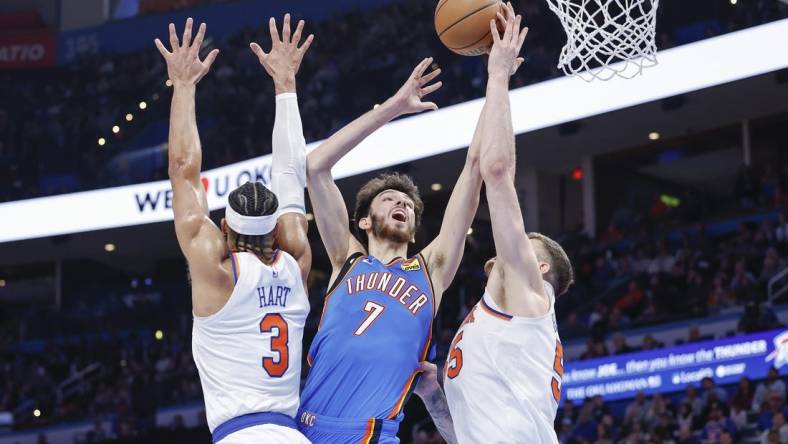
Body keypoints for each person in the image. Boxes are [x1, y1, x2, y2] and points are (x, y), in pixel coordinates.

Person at [298, 10, 482, 444]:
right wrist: (393, 108)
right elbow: (317, 167)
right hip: (303, 430)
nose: (401, 203)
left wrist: (496, 77)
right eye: (389, 200)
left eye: (408, 205)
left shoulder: (430, 272)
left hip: (372, 434)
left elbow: (474, 174)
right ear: (363, 221)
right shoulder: (346, 259)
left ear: (415, 231)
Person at [155, 16, 313, 443]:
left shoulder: (217, 269)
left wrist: (184, 86)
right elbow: (290, 171)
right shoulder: (296, 260)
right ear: (277, 228)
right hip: (292, 433)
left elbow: (183, 170)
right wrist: (285, 85)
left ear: (224, 228)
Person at [441, 5, 572, 443]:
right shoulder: (503, 315)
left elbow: (495, 171)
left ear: (543, 268)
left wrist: (498, 77)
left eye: (524, 241)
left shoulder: (528, 293)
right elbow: (478, 163)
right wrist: (432, 397)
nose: (508, 244)